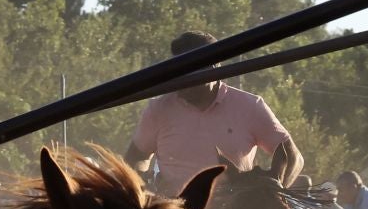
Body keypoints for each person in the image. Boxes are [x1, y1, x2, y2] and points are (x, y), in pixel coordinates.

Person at [125, 30, 300, 197]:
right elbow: (136, 157)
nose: (182, 81)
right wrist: (141, 188)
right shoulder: (159, 108)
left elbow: (293, 157)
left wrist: (274, 193)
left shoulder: (250, 106)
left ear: (214, 68)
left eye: (190, 72)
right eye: (177, 72)